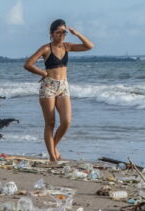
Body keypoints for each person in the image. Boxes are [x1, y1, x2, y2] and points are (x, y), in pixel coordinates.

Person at [24, 19, 93, 162]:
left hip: (63, 86)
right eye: (58, 32)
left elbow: (89, 46)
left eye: (64, 32)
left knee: (66, 121)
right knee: (50, 123)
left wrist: (77, 33)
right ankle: (52, 157)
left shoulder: (67, 47)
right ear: (51, 33)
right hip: (48, 86)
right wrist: (43, 73)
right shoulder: (46, 48)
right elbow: (28, 64)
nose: (61, 35)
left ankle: (53, 147)